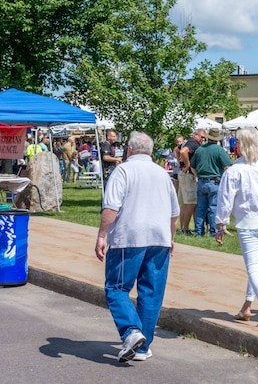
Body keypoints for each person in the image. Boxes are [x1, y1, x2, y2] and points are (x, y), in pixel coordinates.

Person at [94, 131, 179, 363]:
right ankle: (143, 346)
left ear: (129, 150)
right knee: (151, 293)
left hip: (129, 238)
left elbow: (111, 207)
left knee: (116, 288)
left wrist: (102, 235)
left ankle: (131, 331)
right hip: (159, 238)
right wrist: (171, 238)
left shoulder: (123, 170)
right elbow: (174, 213)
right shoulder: (162, 174)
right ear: (150, 151)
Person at [214, 127, 258, 329]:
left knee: (253, 269)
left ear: (240, 146)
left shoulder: (234, 171)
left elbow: (225, 200)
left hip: (248, 222)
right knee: (256, 266)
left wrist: (220, 223)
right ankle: (247, 307)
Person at [190, 126, 231, 237]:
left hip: (201, 181)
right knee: (214, 208)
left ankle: (199, 231)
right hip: (215, 182)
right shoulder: (219, 150)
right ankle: (213, 231)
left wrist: (198, 175)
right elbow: (227, 166)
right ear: (217, 139)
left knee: (200, 208)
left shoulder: (200, 149)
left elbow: (192, 166)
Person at [177, 130, 203, 235]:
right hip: (188, 175)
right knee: (191, 203)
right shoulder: (193, 142)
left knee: (185, 203)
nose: (203, 139)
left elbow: (176, 150)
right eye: (201, 137)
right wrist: (188, 164)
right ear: (195, 135)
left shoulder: (186, 141)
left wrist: (179, 163)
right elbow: (183, 151)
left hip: (182, 173)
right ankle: (186, 228)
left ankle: (183, 226)